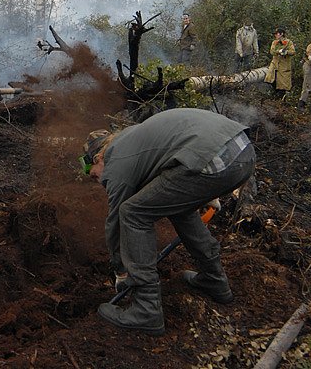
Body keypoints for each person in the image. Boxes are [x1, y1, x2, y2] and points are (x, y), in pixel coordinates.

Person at [80, 108, 256, 335]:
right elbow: (173, 162)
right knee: (179, 208)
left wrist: (121, 271)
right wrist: (208, 193)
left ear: (98, 157)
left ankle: (146, 309)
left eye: (93, 174)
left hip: (215, 162)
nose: (98, 181)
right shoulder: (134, 139)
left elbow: (115, 222)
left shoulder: (116, 159)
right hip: (243, 152)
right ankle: (214, 280)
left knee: (132, 213)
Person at [263, 27, 296, 97]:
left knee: (283, 82)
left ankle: (281, 95)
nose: (276, 35)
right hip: (275, 63)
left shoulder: (289, 42)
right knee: (270, 78)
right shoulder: (274, 42)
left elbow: (293, 52)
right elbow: (272, 51)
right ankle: (274, 92)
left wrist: (286, 52)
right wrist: (278, 51)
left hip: (284, 64)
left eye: (277, 34)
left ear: (282, 34)